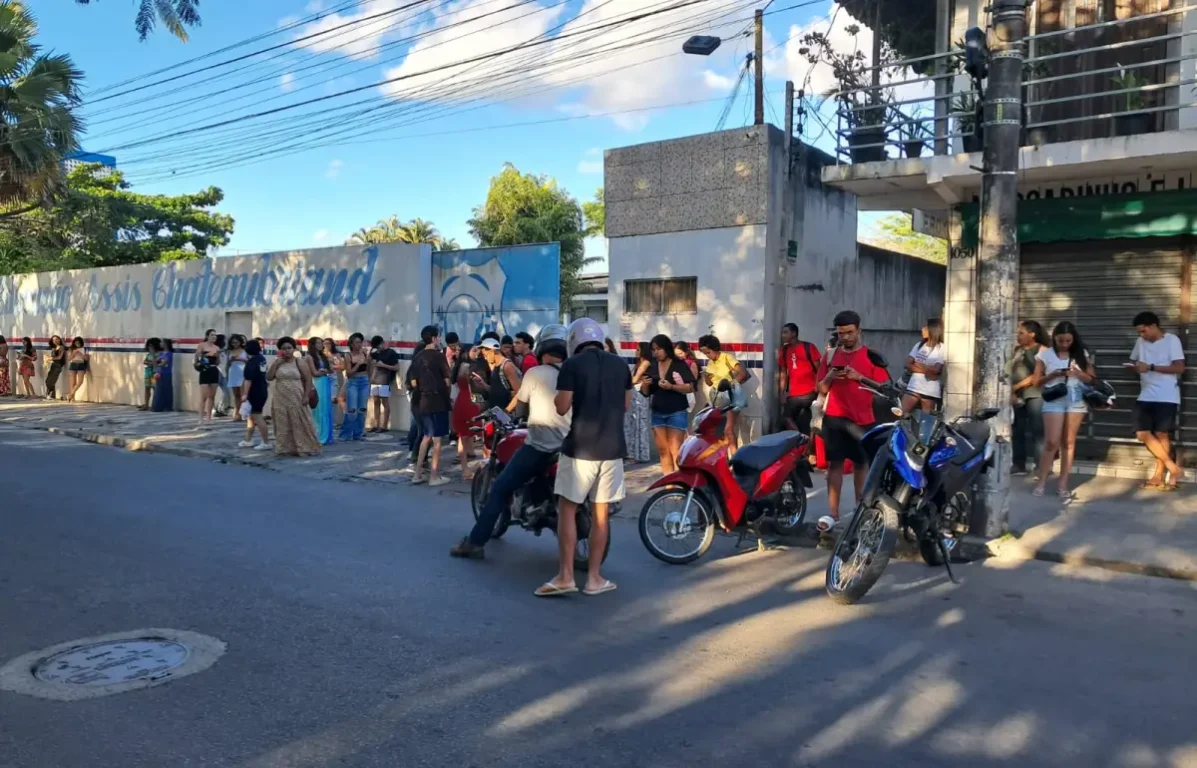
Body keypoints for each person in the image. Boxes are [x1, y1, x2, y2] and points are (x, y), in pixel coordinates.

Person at [451, 325, 572, 559]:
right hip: (569, 445)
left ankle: (475, 543)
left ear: (541, 347)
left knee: (499, 489)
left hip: (540, 445)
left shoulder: (535, 374)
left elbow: (521, 408)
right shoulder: (572, 373)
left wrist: (518, 415)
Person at [535, 318, 629, 598]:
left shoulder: (572, 366)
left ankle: (565, 576)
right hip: (612, 451)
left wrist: (558, 398)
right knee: (601, 514)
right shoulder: (621, 364)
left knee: (568, 509)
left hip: (580, 450)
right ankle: (594, 579)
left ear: (573, 341)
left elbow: (562, 407)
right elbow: (625, 404)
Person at [814, 310, 889, 532]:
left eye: (849, 332)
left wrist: (860, 377)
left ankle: (861, 510)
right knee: (834, 465)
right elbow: (820, 389)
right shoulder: (829, 356)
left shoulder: (871, 356)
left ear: (859, 331)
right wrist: (830, 376)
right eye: (840, 334)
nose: (845, 337)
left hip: (863, 420)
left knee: (861, 465)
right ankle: (833, 513)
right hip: (835, 418)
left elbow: (884, 388)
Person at [1032, 321, 1095, 501]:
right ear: (1055, 339)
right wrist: (1052, 375)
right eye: (1061, 341)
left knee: (1069, 442)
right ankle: (1041, 482)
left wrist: (1077, 373)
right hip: (1054, 398)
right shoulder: (1045, 354)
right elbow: (1036, 382)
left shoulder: (1081, 354)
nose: (1065, 344)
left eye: (1068, 341)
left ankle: (1063, 484)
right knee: (1051, 442)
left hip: (1076, 398)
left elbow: (1092, 379)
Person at [1129, 311, 1186, 491]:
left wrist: (1151, 367)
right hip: (1146, 393)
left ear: (1154, 326)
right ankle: (1173, 467)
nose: (1142, 335)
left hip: (1167, 395)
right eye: (1139, 332)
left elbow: (1180, 367)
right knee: (1141, 432)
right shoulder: (1140, 342)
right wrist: (1135, 368)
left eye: (1144, 331)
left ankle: (1159, 474)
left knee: (1162, 434)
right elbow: (1133, 361)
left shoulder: (1172, 340)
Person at [642, 334, 696, 475]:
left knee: (675, 449)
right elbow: (646, 392)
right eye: (654, 350)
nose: (656, 352)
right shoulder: (653, 365)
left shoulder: (679, 364)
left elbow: (690, 387)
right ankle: (669, 484)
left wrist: (671, 387)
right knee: (663, 450)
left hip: (676, 410)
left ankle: (680, 483)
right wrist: (645, 384)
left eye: (659, 349)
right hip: (658, 411)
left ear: (666, 348)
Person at [410, 325, 453, 486]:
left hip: (422, 400)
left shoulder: (418, 356)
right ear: (434, 338)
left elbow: (413, 382)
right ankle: (434, 476)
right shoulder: (439, 356)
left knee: (426, 437)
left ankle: (417, 474)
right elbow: (448, 380)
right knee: (437, 440)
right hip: (438, 401)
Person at [266, 336, 321, 457]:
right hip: (280, 396)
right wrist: (276, 363)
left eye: (289, 348)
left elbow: (308, 380)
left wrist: (306, 396)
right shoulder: (277, 362)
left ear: (293, 348)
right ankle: (285, 449)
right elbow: (269, 377)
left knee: (300, 422)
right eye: (284, 348)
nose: (287, 351)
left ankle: (304, 448)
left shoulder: (299, 362)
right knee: (282, 423)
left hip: (297, 395)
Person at [698, 334, 749, 457]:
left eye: (708, 352)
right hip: (717, 397)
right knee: (719, 431)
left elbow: (742, 373)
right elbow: (710, 383)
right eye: (705, 354)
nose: (707, 356)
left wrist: (731, 383)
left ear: (715, 349)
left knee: (728, 429)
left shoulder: (727, 358)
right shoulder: (711, 362)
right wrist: (706, 377)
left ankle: (735, 456)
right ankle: (724, 458)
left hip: (730, 396)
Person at [1009, 320, 1049, 476]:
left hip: (1035, 394)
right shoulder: (1017, 351)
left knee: (1038, 430)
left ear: (1032, 334)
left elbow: (1037, 375)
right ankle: (1019, 464)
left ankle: (1042, 466)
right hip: (1018, 396)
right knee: (1018, 430)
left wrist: (1017, 387)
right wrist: (1011, 392)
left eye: (1021, 333)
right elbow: (1008, 370)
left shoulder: (1042, 350)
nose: (1018, 336)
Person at [778, 323, 820, 434]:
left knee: (791, 418)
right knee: (788, 419)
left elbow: (819, 370)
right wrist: (782, 393)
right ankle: (800, 438)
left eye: (785, 332)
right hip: (794, 393)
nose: (783, 335)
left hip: (810, 392)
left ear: (794, 333)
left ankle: (801, 439)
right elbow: (783, 373)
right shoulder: (784, 350)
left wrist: (817, 387)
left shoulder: (809, 347)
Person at [449, 341, 480, 481]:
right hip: (468, 402)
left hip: (463, 400)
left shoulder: (460, 365)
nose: (477, 353)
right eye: (474, 350)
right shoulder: (468, 367)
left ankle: (466, 465)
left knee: (464, 434)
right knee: (467, 434)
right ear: (467, 352)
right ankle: (466, 469)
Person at [901, 318, 945, 414]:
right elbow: (907, 364)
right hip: (914, 386)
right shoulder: (919, 345)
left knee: (927, 421)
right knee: (902, 414)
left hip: (929, 389)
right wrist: (927, 370)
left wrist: (916, 365)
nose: (923, 329)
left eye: (926, 327)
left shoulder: (941, 348)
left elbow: (936, 370)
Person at [237, 339, 271, 450]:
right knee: (251, 417)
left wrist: (244, 395)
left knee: (257, 416)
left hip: (255, 392)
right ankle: (248, 439)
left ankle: (266, 442)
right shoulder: (261, 359)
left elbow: (248, 380)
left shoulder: (251, 363)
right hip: (262, 389)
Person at [472, 337, 521, 412]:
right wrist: (482, 383)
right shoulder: (495, 367)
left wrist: (506, 411)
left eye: (486, 355)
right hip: (495, 412)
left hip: (507, 415)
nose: (485, 358)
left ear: (492, 350)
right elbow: (497, 391)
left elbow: (520, 393)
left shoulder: (507, 366)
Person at [624, 342, 653, 464]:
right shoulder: (639, 363)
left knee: (638, 424)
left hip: (640, 396)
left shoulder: (645, 363)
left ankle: (637, 455)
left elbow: (635, 379)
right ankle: (635, 454)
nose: (635, 351)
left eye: (638, 349)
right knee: (634, 425)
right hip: (637, 394)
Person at [339, 332, 370, 441]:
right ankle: (345, 434)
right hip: (353, 381)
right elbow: (348, 373)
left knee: (362, 409)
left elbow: (369, 368)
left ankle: (358, 433)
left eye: (360, 342)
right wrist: (358, 364)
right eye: (356, 342)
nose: (359, 344)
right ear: (351, 344)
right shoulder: (348, 356)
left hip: (364, 381)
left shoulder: (365, 354)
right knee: (352, 409)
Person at [366, 335, 400, 433]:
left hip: (384, 380)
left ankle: (384, 425)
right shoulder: (375, 353)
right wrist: (369, 354)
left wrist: (383, 365)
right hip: (374, 380)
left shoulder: (390, 353)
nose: (378, 348)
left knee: (385, 402)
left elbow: (396, 368)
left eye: (378, 346)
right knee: (376, 402)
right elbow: (368, 364)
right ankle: (376, 425)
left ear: (382, 343)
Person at [307, 336, 336, 446]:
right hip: (317, 383)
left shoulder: (323, 356)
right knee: (318, 409)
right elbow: (314, 373)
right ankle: (318, 436)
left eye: (321, 343)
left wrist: (327, 370)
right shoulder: (309, 357)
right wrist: (323, 371)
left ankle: (326, 436)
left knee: (326, 409)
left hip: (325, 382)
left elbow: (330, 370)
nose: (321, 345)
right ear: (313, 344)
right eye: (318, 343)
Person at [194, 329, 221, 423]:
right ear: (207, 336)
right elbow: (197, 358)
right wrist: (207, 355)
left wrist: (217, 356)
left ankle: (209, 417)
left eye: (215, 335)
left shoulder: (217, 348)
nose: (214, 337)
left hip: (214, 370)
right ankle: (200, 417)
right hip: (205, 370)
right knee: (203, 396)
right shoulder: (202, 345)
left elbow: (217, 363)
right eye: (212, 335)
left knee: (212, 396)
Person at [225, 335, 248, 422]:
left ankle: (243, 413)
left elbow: (249, 361)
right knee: (236, 395)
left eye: (236, 342)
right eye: (233, 342)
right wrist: (230, 361)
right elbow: (227, 364)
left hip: (242, 372)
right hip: (233, 372)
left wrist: (242, 359)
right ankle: (237, 412)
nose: (235, 344)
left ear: (240, 342)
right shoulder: (230, 351)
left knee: (243, 395)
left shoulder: (245, 351)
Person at [152, 339, 175, 412]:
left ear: (165, 344)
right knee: (158, 390)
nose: (160, 344)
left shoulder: (169, 354)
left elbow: (163, 363)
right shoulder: (161, 354)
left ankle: (167, 406)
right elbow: (155, 362)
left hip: (166, 374)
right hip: (159, 374)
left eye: (162, 342)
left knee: (166, 390)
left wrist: (157, 363)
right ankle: (158, 407)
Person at [139, 338, 162, 410]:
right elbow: (144, 362)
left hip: (154, 374)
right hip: (148, 373)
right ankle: (146, 404)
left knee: (154, 388)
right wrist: (150, 362)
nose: (149, 347)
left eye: (151, 346)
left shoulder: (158, 354)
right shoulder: (148, 354)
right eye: (148, 346)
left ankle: (155, 404)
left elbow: (155, 363)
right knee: (147, 388)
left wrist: (150, 362)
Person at [66, 337, 89, 402]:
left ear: (81, 343)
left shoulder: (84, 349)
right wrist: (73, 353)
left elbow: (86, 359)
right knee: (73, 382)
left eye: (78, 343)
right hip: (73, 364)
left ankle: (70, 394)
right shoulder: (71, 349)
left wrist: (80, 354)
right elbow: (69, 359)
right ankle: (72, 398)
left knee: (80, 382)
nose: (77, 344)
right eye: (76, 343)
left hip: (81, 364)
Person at [43, 336, 66, 400]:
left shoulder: (61, 347)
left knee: (51, 381)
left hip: (58, 365)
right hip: (53, 365)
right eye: (54, 340)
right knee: (48, 381)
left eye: (57, 339)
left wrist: (49, 358)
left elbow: (59, 357)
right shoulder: (54, 348)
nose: (56, 341)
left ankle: (50, 395)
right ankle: (50, 395)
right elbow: (52, 356)